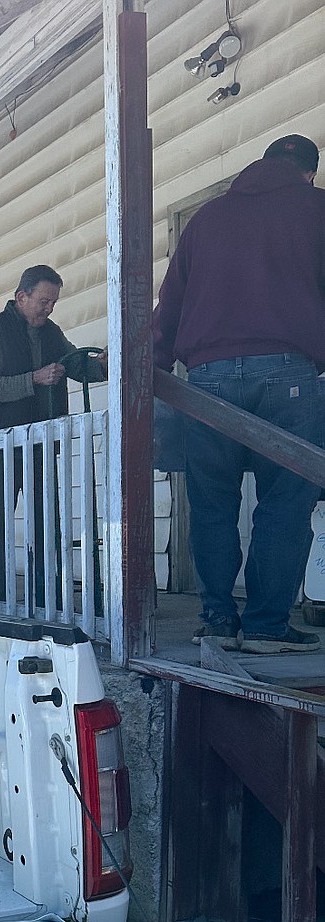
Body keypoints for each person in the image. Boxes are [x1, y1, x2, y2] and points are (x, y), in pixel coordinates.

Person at [153, 134, 325, 654]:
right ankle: (268, 628)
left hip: (207, 380)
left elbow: (172, 300)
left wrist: (154, 369)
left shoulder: (206, 220)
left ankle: (218, 622)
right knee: (286, 499)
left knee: (211, 500)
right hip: (288, 373)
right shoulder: (316, 209)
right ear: (308, 173)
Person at [0, 265, 108, 605]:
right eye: (43, 301)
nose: (48, 309)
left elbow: (77, 366)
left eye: (53, 303)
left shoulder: (52, 331)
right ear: (22, 297)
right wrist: (34, 378)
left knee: (46, 523)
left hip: (42, 445)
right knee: (1, 524)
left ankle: (46, 598)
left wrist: (104, 364)